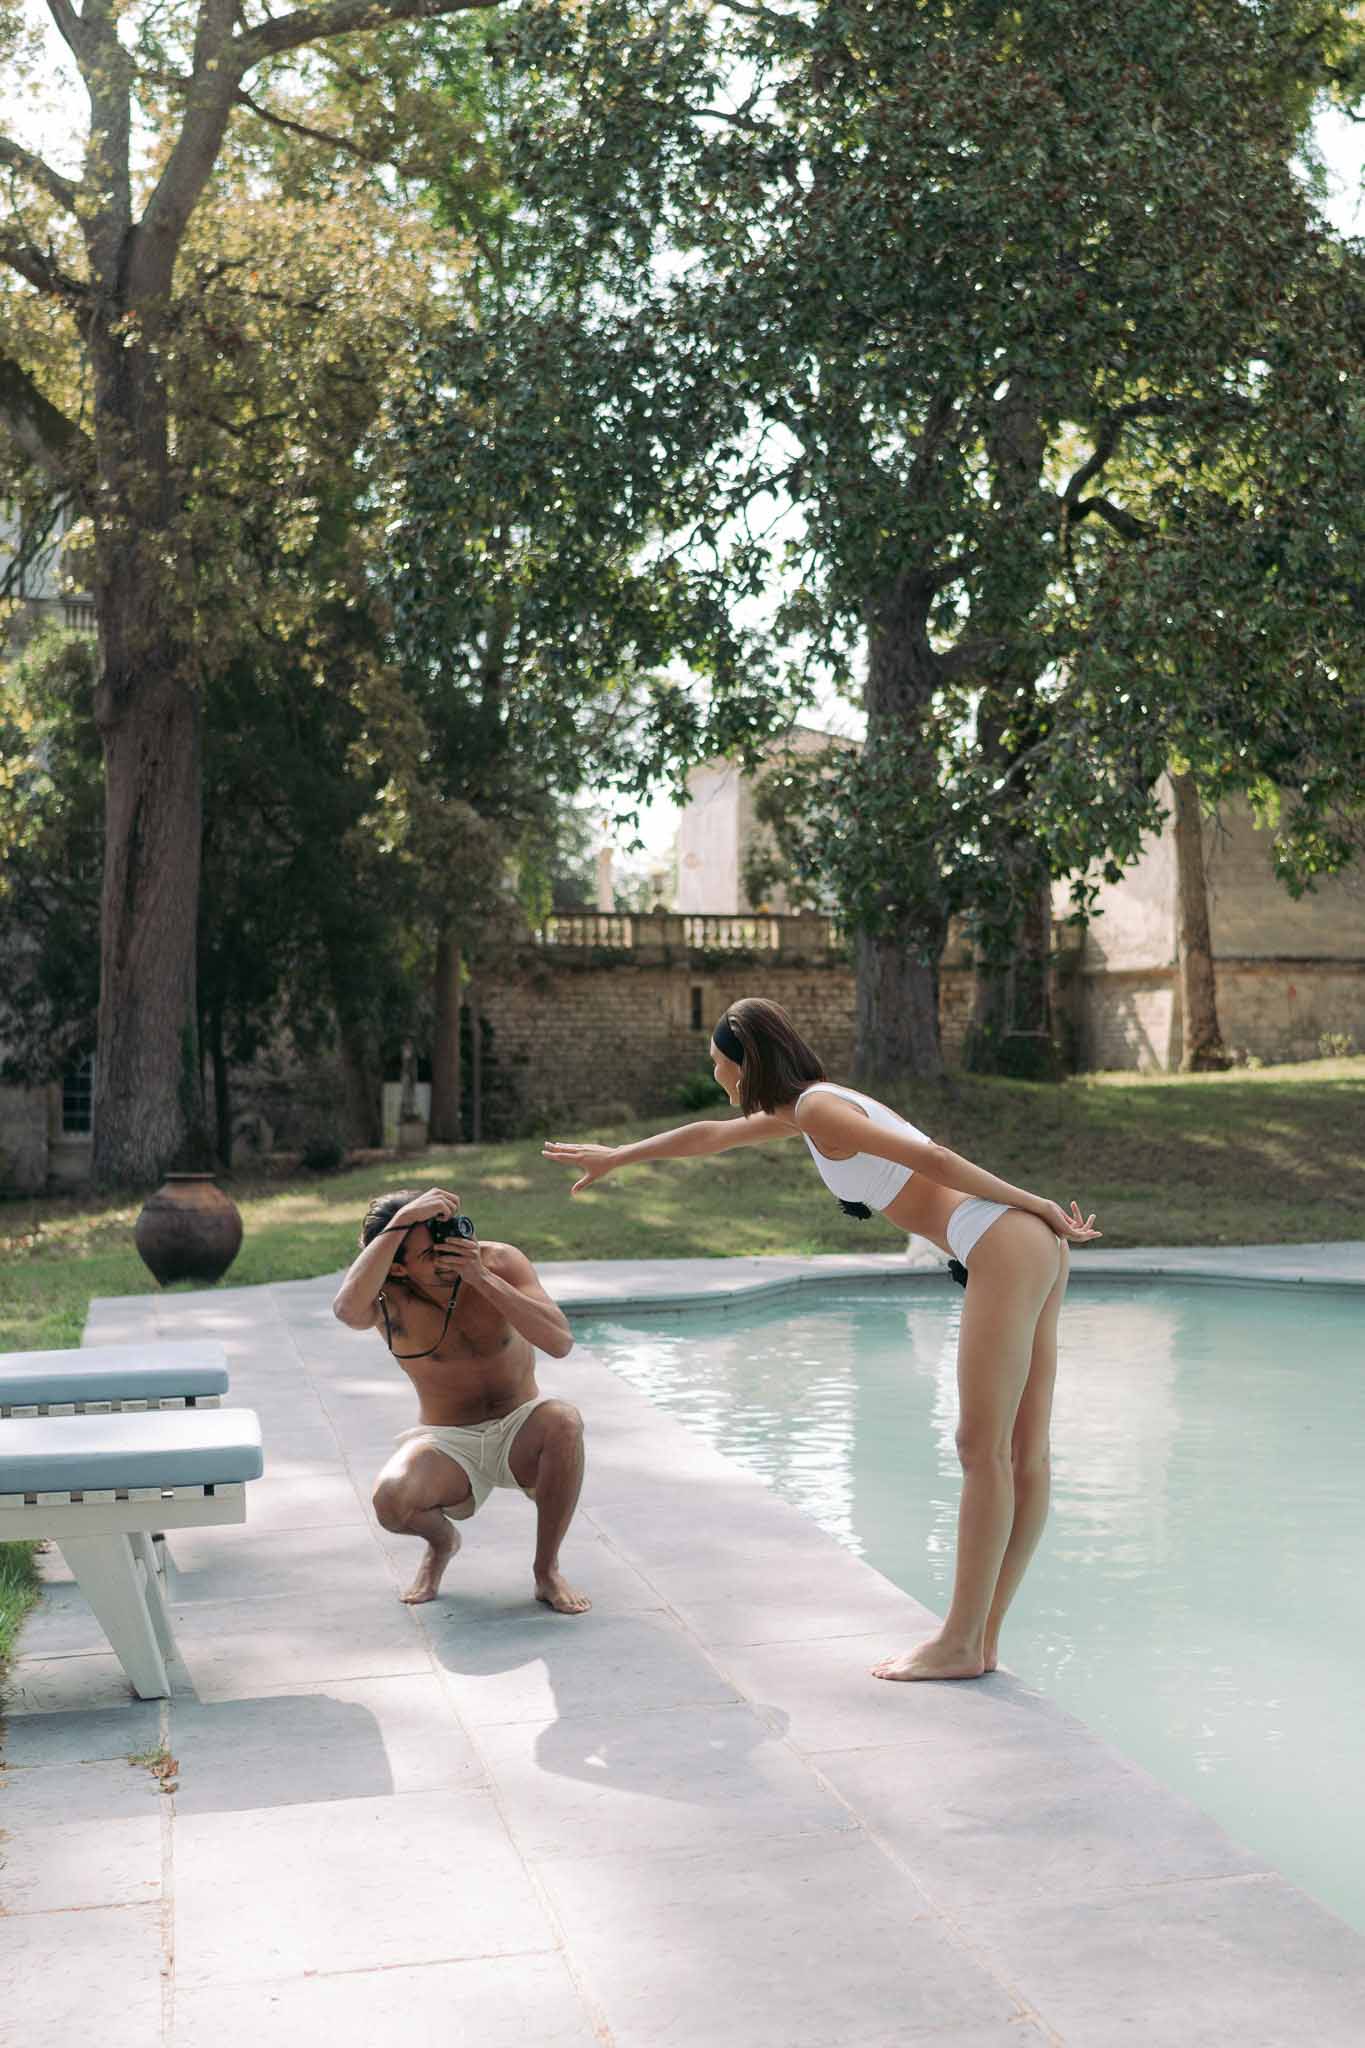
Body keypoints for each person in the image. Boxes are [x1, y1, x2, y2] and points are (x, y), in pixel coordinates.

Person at [544, 997, 1100, 1681]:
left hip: (1002, 1238)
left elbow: (932, 1155)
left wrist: (1032, 1202)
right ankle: (978, 1641)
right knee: (1021, 1454)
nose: (718, 1079)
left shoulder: (816, 1110)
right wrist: (619, 1156)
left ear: (746, 1061)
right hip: (1022, 1244)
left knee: (981, 1450)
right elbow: (710, 1136)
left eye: (719, 1066)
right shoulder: (807, 1108)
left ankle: (960, 1641)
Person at [332, 1187, 590, 1614]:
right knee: (391, 1501)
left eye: (446, 1243)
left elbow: (560, 1342)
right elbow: (345, 1310)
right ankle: (442, 1543)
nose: (446, 1260)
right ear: (396, 1267)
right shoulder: (386, 1296)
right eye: (428, 1255)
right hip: (449, 1441)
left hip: (521, 1426)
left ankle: (547, 1571)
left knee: (564, 1421)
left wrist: (482, 1279)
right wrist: (400, 1223)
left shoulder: (498, 1263)